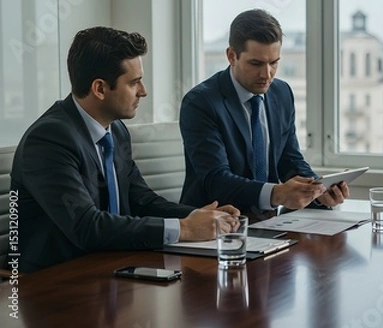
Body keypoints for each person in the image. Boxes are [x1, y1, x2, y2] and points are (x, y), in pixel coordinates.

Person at [9, 26, 239, 273]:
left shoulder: (115, 130)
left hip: (112, 267)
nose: (144, 91)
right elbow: (87, 227)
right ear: (99, 88)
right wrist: (184, 228)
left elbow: (141, 200)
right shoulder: (49, 139)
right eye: (134, 83)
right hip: (55, 283)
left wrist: (199, 216)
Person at [179, 9, 350, 215]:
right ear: (232, 56)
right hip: (215, 224)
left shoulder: (281, 92)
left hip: (270, 221)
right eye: (256, 63)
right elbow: (216, 179)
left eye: (274, 63)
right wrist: (275, 194)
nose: (267, 74)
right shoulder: (200, 102)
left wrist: (318, 192)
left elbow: (290, 159)